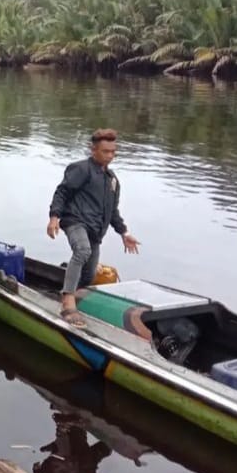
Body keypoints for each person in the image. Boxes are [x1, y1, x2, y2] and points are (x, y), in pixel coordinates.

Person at [47, 129, 140, 327]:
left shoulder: (113, 180)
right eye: (106, 151)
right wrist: (54, 216)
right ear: (94, 150)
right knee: (82, 250)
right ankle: (67, 301)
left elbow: (112, 211)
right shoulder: (80, 169)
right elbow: (62, 193)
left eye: (113, 152)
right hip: (74, 221)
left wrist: (124, 233)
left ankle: (73, 295)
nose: (110, 155)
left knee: (89, 274)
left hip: (95, 230)